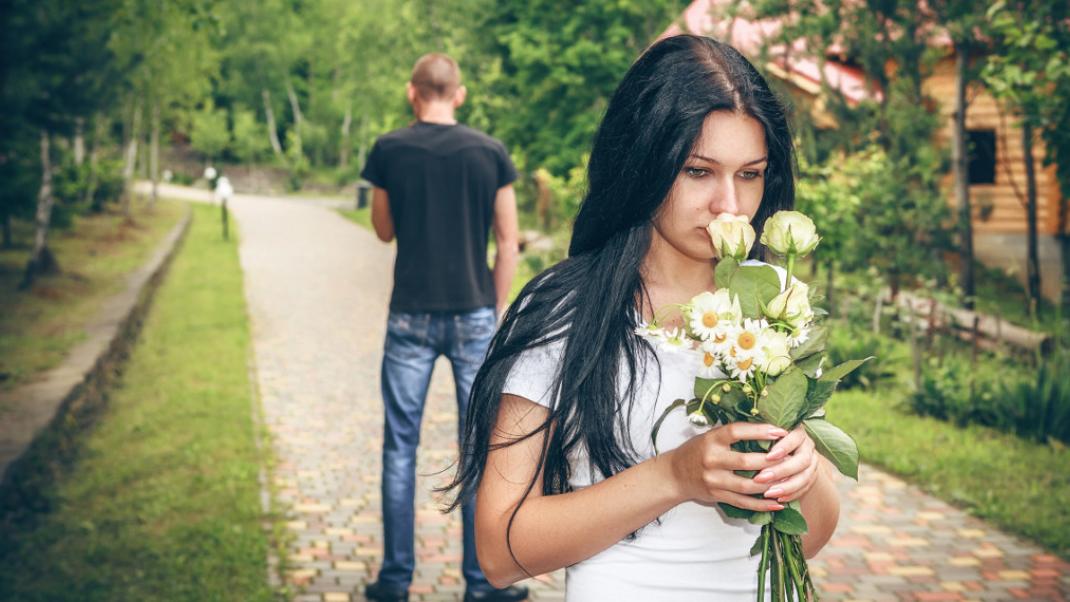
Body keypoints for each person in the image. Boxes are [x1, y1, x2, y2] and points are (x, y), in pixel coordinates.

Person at [447, 35, 841, 601]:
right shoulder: (566, 312)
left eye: (750, 174)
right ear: (643, 164)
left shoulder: (773, 302)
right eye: (698, 171)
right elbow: (499, 551)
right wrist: (675, 476)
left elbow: (810, 539)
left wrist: (803, 472)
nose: (729, 204)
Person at [360, 53, 526, 602]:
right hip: (473, 311)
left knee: (399, 449)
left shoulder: (389, 149)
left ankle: (393, 581)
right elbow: (507, 242)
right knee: (479, 449)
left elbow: (383, 231)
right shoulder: (490, 153)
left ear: (413, 93)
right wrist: (493, 311)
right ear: (460, 94)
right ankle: (482, 584)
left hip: (409, 313)